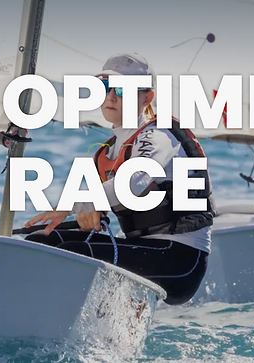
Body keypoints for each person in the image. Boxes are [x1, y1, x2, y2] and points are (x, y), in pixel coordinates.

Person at [23, 53, 214, 306]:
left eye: (123, 89)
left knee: (71, 255)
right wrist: (91, 214)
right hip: (141, 249)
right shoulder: (107, 153)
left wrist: (72, 204)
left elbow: (133, 182)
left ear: (147, 98)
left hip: (179, 259)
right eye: (105, 87)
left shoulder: (157, 136)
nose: (111, 96)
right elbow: (98, 208)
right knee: (41, 242)